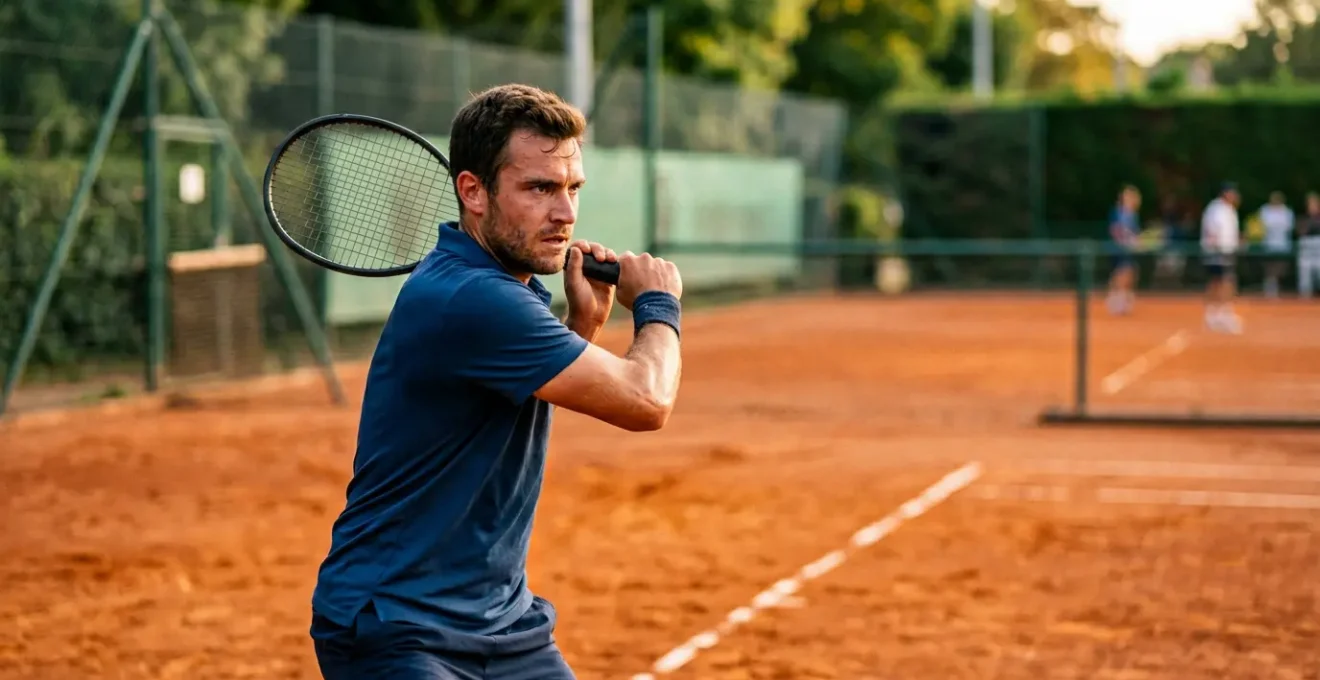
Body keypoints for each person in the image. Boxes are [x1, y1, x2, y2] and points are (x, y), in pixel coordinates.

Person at [308, 84, 685, 680]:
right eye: (539, 189)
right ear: (473, 191)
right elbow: (645, 400)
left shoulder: (506, 290)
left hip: (502, 622)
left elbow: (514, 402)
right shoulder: (473, 298)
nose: (565, 214)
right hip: (400, 625)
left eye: (572, 189)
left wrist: (583, 322)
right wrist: (659, 304)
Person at [1200, 182, 1243, 333]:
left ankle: (1220, 312)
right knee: (1221, 281)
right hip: (1218, 251)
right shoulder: (1216, 209)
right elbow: (1213, 231)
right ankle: (1218, 313)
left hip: (1226, 251)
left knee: (1222, 281)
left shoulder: (1229, 210)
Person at [1106, 185, 1142, 315]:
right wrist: (1125, 241)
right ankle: (1115, 300)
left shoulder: (1133, 215)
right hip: (1118, 249)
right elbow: (1115, 230)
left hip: (1127, 249)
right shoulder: (1117, 212)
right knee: (1120, 274)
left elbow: (1133, 233)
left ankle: (1122, 299)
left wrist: (1136, 241)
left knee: (1130, 273)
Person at [1258, 191, 1295, 298]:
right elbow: (1263, 226)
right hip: (1268, 244)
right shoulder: (1265, 210)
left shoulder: (1287, 211)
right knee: (1269, 267)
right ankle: (1270, 288)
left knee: (1281, 267)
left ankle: (1277, 286)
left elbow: (1288, 227)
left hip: (1282, 245)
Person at [1297, 192, 1320, 298]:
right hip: (1306, 246)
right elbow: (1300, 231)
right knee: (1305, 273)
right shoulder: (1303, 217)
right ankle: (1305, 299)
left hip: (1318, 246)